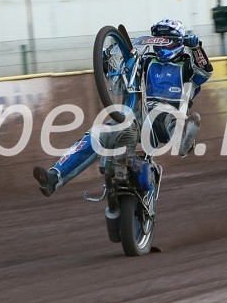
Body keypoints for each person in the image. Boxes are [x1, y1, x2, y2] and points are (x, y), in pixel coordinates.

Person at [34, 18, 213, 197]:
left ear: (178, 42)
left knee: (167, 117)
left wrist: (196, 47)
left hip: (166, 115)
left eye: (166, 40)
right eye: (158, 40)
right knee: (97, 134)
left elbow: (205, 72)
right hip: (135, 116)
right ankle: (54, 178)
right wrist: (108, 60)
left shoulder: (187, 64)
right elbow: (121, 81)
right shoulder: (146, 61)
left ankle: (183, 139)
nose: (161, 46)